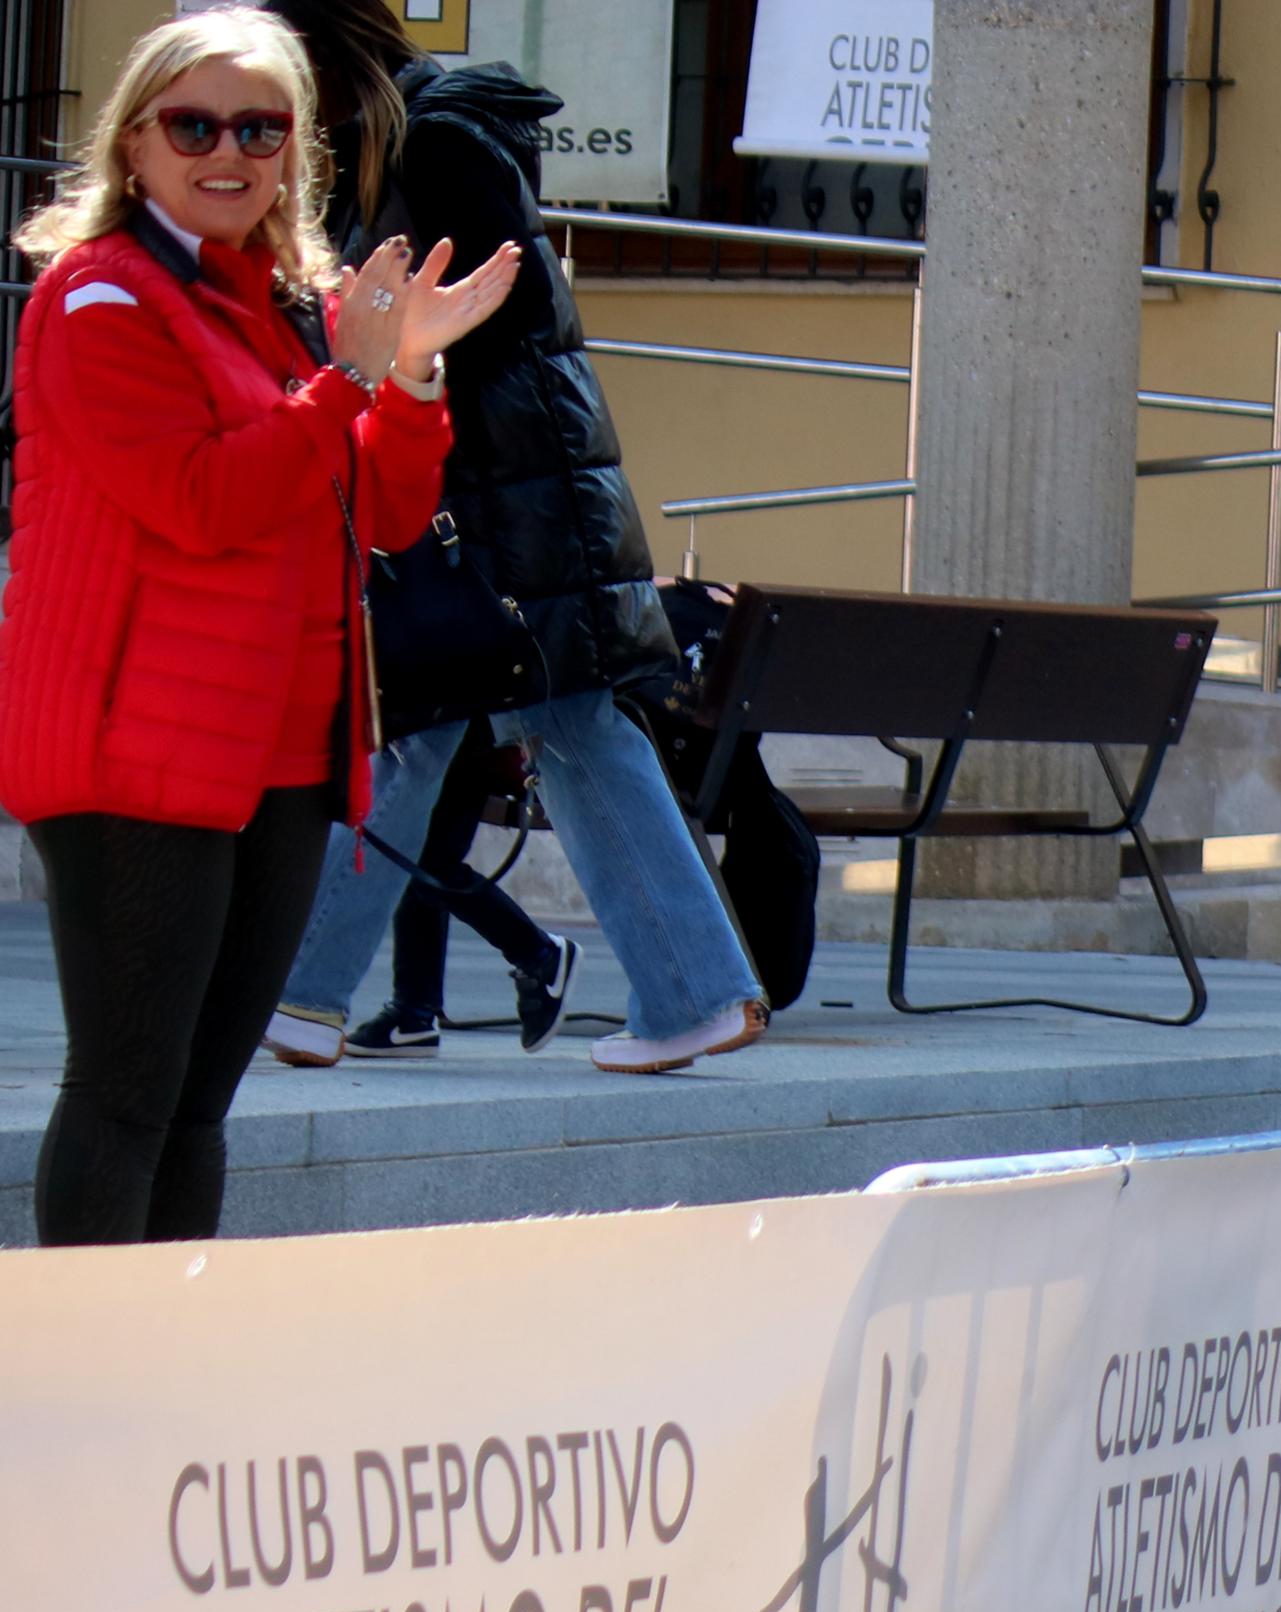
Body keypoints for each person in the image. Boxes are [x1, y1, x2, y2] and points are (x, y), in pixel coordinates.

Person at [0, 10, 513, 1245]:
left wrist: (413, 377)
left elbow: (384, 513)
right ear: (133, 144)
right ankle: (83, 1385)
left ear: (295, 153)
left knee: (200, 1108)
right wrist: (347, 374)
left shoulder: (297, 302)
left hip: (281, 750)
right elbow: (200, 499)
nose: (226, 152)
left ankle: (176, 1381)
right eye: (193, 125)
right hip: (141, 754)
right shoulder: (96, 300)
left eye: (260, 129)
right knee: (127, 1095)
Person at [255, 0, 765, 1077]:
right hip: (506, 502)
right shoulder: (410, 138)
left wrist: (368, 332)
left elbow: (494, 303)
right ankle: (301, 994)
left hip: (503, 508)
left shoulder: (434, 140)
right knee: (437, 729)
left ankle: (695, 991)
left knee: (539, 726)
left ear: (325, 65)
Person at [342, 718, 580, 1055]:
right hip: (461, 701)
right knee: (423, 853)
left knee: (426, 859)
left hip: (463, 701)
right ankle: (415, 1010)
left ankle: (539, 955)